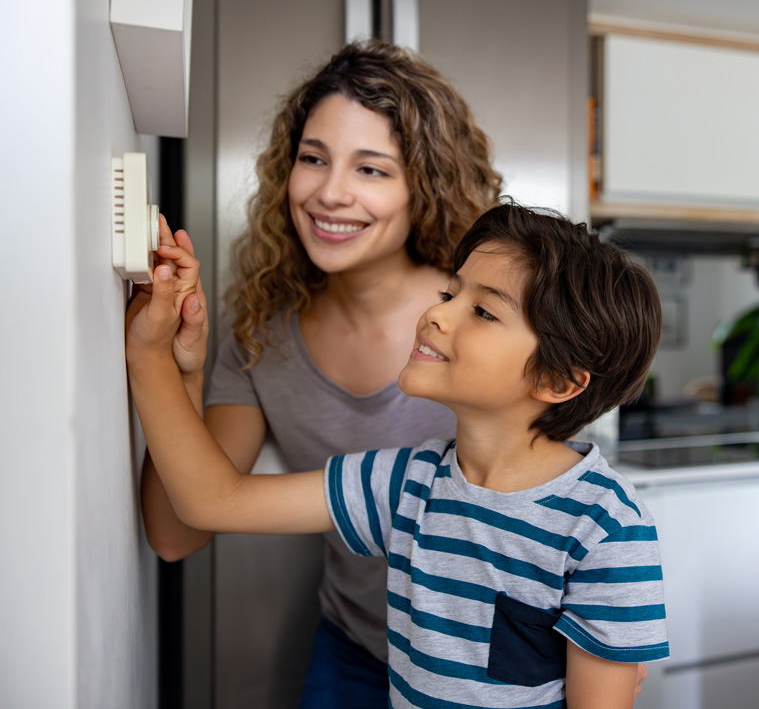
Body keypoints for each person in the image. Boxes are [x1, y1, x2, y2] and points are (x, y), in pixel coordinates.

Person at [127, 201, 668, 709]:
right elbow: (213, 500)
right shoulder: (406, 482)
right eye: (449, 294)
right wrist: (151, 355)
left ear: (556, 380)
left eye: (481, 311)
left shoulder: (607, 528)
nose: (438, 315)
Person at [136, 40, 502, 705]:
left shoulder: (483, 323)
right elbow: (176, 532)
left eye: (371, 169)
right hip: (356, 648)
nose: (331, 193)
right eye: (313, 159)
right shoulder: (260, 337)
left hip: (491, 666)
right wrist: (177, 368)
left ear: (424, 185)